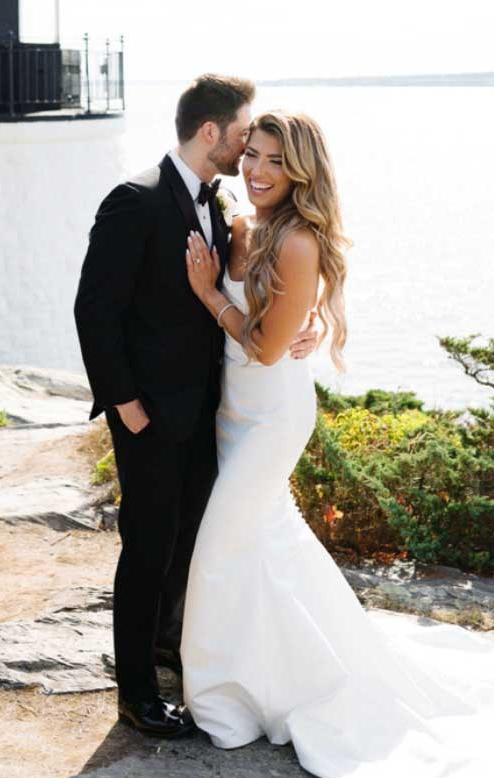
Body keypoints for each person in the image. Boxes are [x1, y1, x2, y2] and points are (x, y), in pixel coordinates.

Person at [180, 109, 494, 778]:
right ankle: (273, 673)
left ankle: (225, 702)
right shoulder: (246, 225)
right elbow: (272, 319)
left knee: (220, 550)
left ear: (302, 172)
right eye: (254, 156)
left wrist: (210, 295)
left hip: (272, 418)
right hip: (233, 412)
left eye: (274, 161)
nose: (258, 171)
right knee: (263, 549)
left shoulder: (296, 240)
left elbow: (267, 346)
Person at [73, 76, 320, 738]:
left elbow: (275, 283)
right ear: (211, 132)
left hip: (214, 414)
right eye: (244, 137)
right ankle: (135, 694)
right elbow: (95, 311)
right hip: (150, 416)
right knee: (148, 548)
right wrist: (125, 405)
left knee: (189, 546)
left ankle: (167, 657)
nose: (248, 153)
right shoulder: (136, 199)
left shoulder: (225, 203)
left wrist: (308, 322)